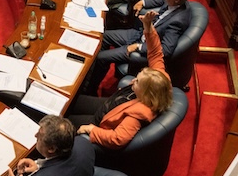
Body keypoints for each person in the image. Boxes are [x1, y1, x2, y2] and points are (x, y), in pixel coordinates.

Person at [69, 9, 174, 149]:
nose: (133, 80)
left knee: (66, 120)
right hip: (109, 105)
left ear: (146, 93)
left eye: (137, 82)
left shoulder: (138, 114)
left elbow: (117, 139)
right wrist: (148, 26)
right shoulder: (160, 79)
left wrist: (92, 130)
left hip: (101, 122)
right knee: (71, 100)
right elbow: (155, 53)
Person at [82, 0, 191, 95]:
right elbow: (161, 0)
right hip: (140, 34)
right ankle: (93, 76)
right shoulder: (175, 0)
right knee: (104, 36)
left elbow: (166, 50)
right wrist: (143, 2)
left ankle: (89, 91)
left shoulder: (177, 22)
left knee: (101, 58)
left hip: (142, 46)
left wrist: (138, 47)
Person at [4, 116, 93, 176]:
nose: (35, 135)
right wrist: (39, 166)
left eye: (40, 135)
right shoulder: (84, 144)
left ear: (51, 149)